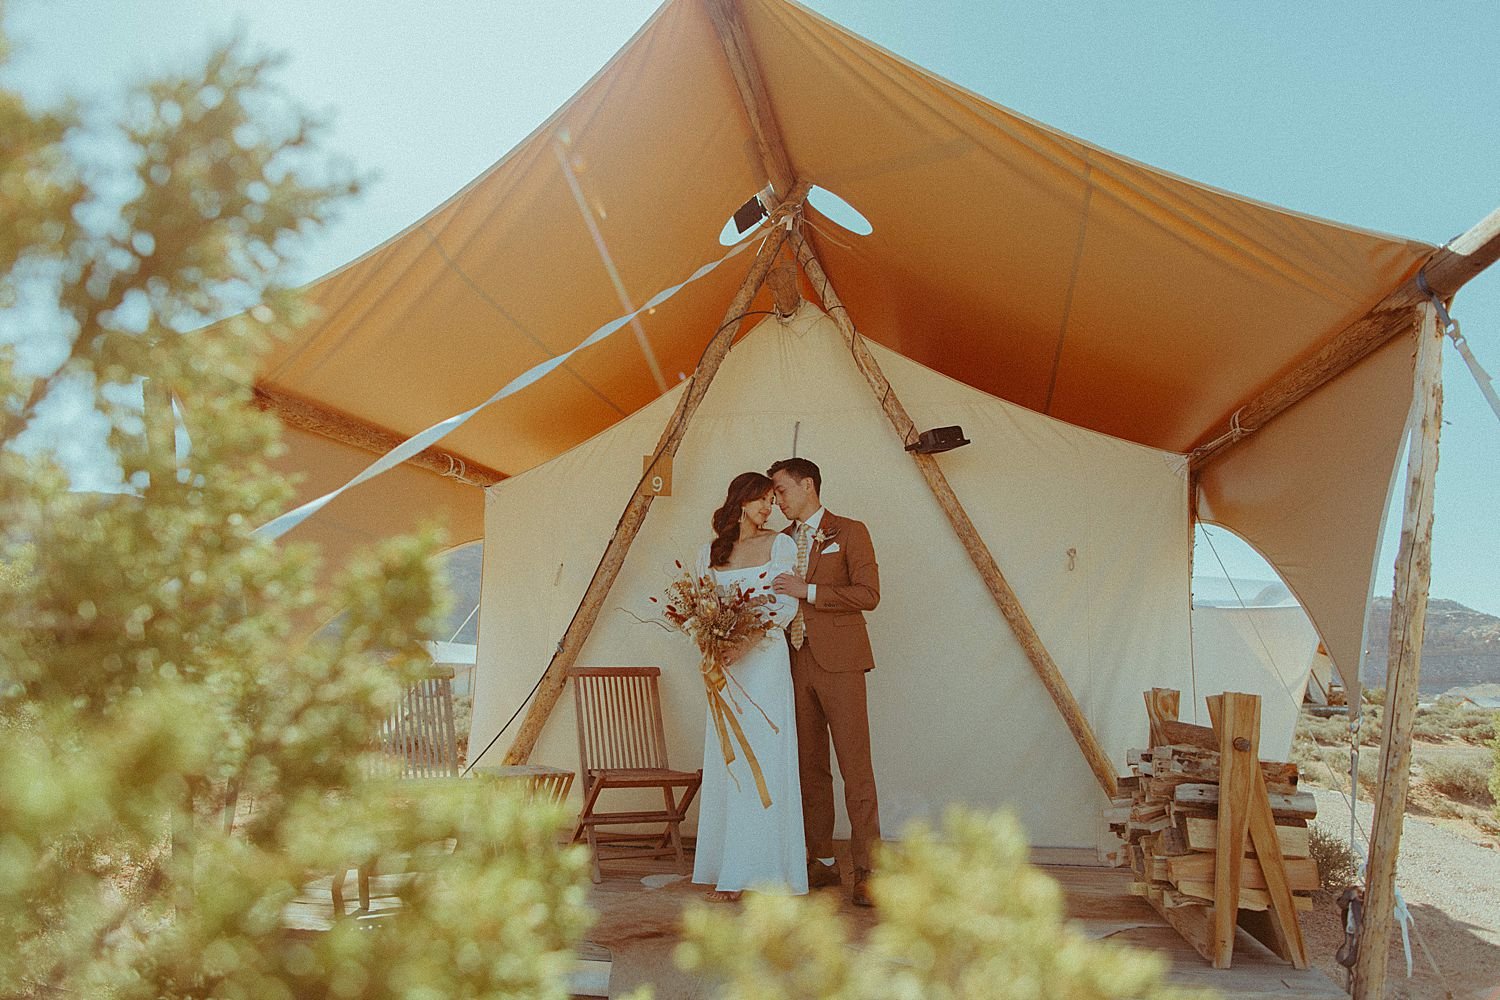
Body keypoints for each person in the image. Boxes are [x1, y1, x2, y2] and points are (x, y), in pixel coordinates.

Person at [768, 457, 882, 908]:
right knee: (809, 767)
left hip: (842, 663)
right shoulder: (778, 542)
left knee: (856, 768)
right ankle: (822, 862)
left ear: (807, 485)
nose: (776, 499)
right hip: (792, 663)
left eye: (780, 490)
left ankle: (869, 870)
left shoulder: (850, 531)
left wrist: (808, 592)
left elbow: (869, 595)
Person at [690, 471, 808, 901]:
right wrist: (714, 642)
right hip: (725, 667)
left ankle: (767, 871)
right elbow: (702, 606)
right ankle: (730, 870)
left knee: (766, 756)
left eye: (772, 501)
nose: (769, 508)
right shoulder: (708, 553)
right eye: (761, 499)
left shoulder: (780, 544)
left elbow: (784, 601)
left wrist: (748, 640)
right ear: (741, 501)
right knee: (731, 760)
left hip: (764, 664)